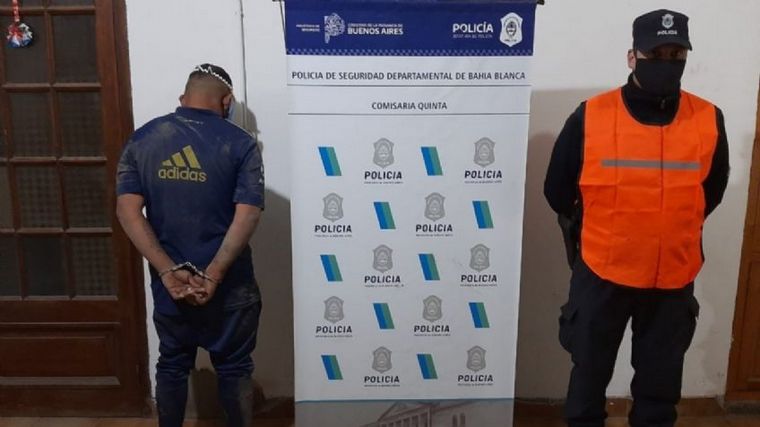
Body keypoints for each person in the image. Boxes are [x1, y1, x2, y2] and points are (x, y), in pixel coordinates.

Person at [544, 9, 729, 427]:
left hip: (672, 279)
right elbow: (557, 189)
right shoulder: (591, 116)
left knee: (659, 395)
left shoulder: (708, 119)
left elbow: (710, 192)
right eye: (655, 54)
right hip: (602, 273)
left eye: (676, 54)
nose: (667, 63)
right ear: (632, 57)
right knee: (588, 384)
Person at [116, 63, 264, 427]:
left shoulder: (142, 140)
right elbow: (247, 214)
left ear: (183, 98)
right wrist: (213, 274)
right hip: (230, 286)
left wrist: (167, 271)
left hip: (172, 288)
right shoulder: (242, 143)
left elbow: (127, 211)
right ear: (226, 101)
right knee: (234, 368)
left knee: (172, 363)